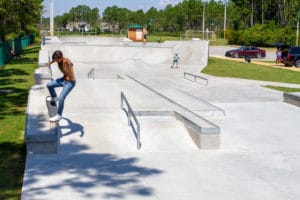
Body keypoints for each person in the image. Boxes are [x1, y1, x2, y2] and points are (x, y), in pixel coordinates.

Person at [45, 50, 76, 122]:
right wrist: (49, 63)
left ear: (61, 57)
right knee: (49, 85)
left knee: (61, 98)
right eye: (56, 60)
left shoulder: (66, 61)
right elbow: (53, 60)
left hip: (70, 83)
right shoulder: (57, 59)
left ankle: (59, 115)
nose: (57, 61)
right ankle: (54, 97)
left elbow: (69, 62)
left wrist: (70, 64)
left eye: (58, 60)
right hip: (63, 79)